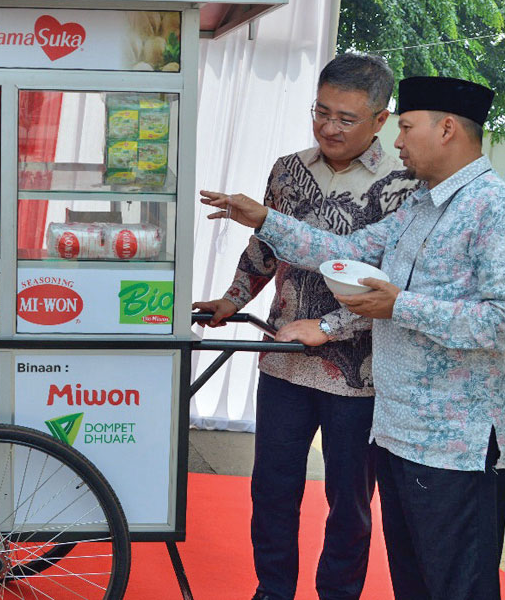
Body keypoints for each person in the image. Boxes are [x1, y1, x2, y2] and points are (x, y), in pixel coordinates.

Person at [201, 76, 505, 600]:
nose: (399, 142)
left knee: (455, 583)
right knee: (415, 582)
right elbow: (347, 251)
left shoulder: (491, 207)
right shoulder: (423, 205)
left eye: (405, 127)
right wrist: (266, 219)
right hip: (399, 432)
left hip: (454, 444)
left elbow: (499, 320)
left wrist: (396, 307)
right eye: (322, 113)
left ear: (447, 130)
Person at [193, 53, 417, 600]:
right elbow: (264, 247)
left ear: (380, 120)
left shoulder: (404, 183)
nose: (329, 127)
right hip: (284, 359)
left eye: (346, 118)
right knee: (271, 488)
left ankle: (337, 594)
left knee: (349, 501)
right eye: (321, 112)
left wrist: (332, 326)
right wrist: (232, 299)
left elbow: (392, 280)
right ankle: (272, 590)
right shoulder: (288, 169)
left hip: (360, 374)